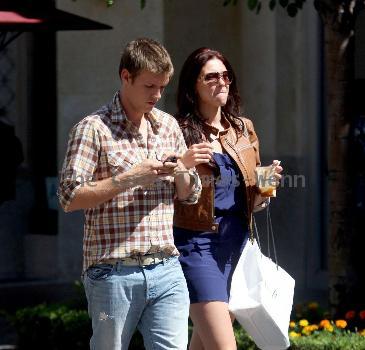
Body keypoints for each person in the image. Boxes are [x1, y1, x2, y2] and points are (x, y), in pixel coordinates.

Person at [58, 38, 212, 350]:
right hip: (111, 273)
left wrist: (182, 170)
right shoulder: (93, 129)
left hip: (167, 268)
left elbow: (190, 195)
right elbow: (69, 197)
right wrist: (129, 178)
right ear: (125, 77)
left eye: (162, 87)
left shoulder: (168, 127)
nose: (157, 95)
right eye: (149, 86)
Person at [173, 47, 283, 350]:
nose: (221, 82)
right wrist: (183, 164)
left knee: (204, 343)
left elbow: (256, 198)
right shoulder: (177, 131)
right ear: (193, 85)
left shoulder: (243, 129)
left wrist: (268, 182)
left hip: (238, 245)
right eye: (210, 77)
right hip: (198, 245)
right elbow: (173, 194)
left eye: (225, 76)